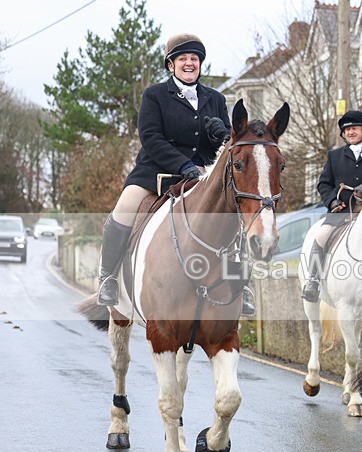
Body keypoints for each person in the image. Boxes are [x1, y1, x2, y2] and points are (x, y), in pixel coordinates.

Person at [96, 33, 255, 315]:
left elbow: (231, 147)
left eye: (194, 59)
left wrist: (221, 135)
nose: (189, 63)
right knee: (123, 209)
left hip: (201, 174)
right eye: (183, 59)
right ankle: (107, 278)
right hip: (154, 173)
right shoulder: (154, 95)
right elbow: (151, 138)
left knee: (233, 216)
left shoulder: (215, 98)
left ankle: (240, 287)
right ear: (171, 65)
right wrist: (182, 165)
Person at [301, 110, 362, 302]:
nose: (350, 132)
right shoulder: (334, 156)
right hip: (341, 211)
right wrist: (333, 200)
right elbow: (323, 184)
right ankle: (313, 281)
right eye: (347, 130)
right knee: (320, 237)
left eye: (354, 129)